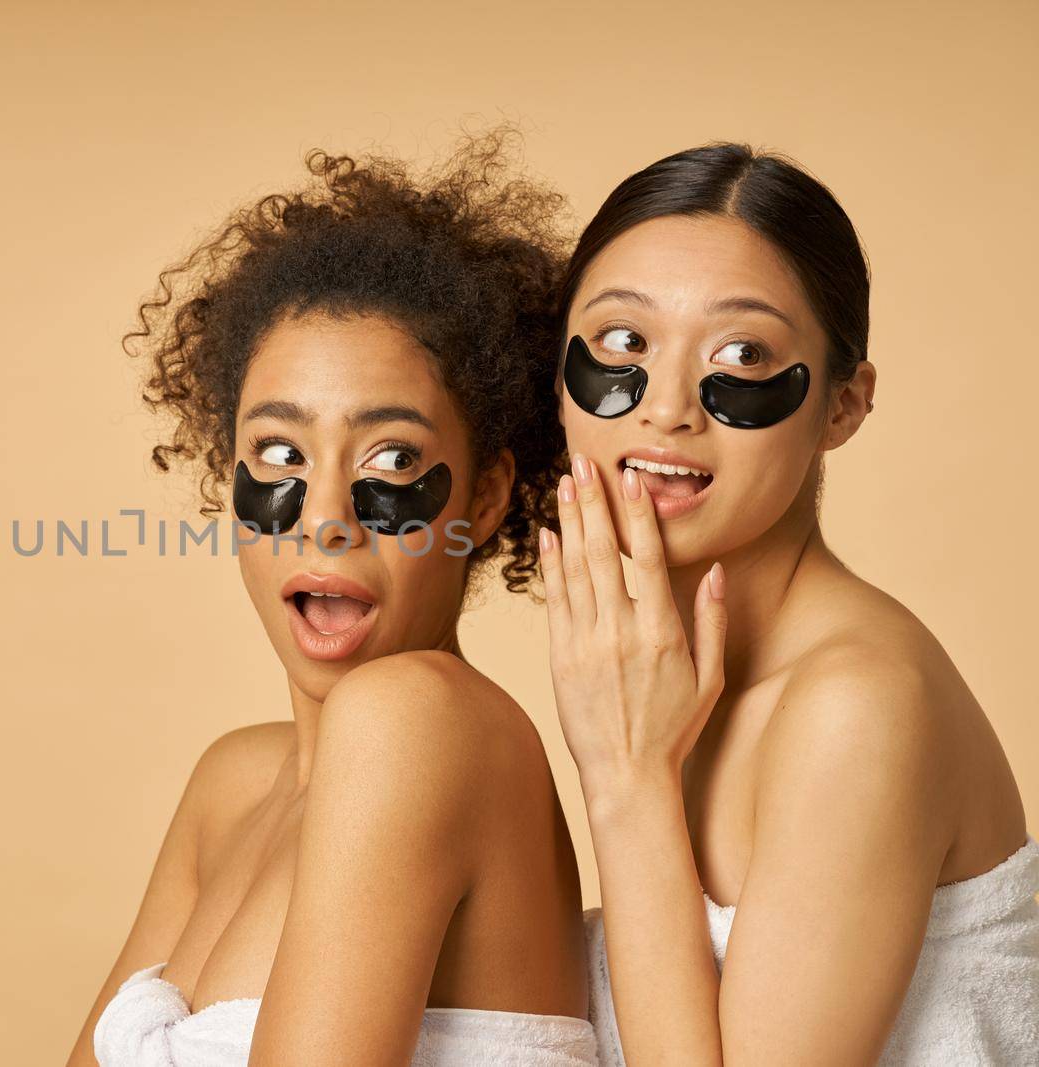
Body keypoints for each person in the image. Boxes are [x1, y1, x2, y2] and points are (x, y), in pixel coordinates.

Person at [65, 129, 599, 1066]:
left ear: (482, 494)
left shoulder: (421, 720)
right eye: (279, 454)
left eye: (392, 459)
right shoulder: (232, 787)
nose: (324, 518)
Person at [538, 142, 1037, 1065]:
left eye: (743, 353)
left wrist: (627, 781)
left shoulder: (858, 703)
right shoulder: (644, 674)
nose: (666, 408)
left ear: (843, 407)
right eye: (623, 343)